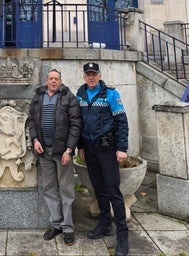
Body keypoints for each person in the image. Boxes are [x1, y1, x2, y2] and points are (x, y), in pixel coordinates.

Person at [76, 62, 129, 256]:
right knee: (99, 188)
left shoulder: (111, 95)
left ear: (99, 75)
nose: (91, 77)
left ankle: (122, 236)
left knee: (113, 190)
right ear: (84, 76)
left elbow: (122, 122)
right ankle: (105, 224)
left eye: (94, 74)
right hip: (89, 149)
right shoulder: (80, 95)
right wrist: (80, 145)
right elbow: (78, 122)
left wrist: (122, 148)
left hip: (107, 149)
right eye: (88, 74)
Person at [29, 68, 81, 246]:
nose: (53, 81)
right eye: (50, 78)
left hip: (62, 152)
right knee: (49, 188)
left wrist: (69, 150)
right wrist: (35, 139)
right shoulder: (38, 96)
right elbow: (31, 122)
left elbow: (75, 125)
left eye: (56, 79)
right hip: (44, 151)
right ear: (46, 80)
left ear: (60, 80)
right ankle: (56, 224)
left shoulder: (69, 97)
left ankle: (67, 228)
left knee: (66, 190)